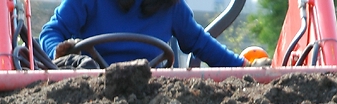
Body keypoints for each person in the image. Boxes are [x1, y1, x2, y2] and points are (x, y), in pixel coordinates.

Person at [39, 0, 248, 69]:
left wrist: (243, 67)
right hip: (91, 93)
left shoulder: (170, 6)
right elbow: (52, 32)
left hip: (148, 96)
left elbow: (200, 42)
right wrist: (61, 54)